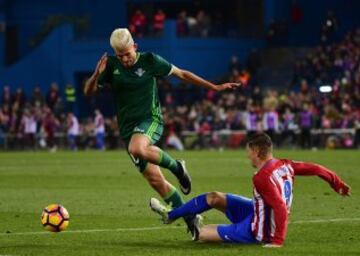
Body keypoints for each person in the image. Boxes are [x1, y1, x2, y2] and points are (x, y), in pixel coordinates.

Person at [84, 28, 240, 235]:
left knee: (137, 148)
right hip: (127, 129)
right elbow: (88, 91)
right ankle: (189, 217)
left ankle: (177, 167)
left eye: (128, 54)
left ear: (135, 47)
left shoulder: (150, 60)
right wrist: (96, 74)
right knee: (155, 180)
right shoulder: (111, 66)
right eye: (120, 55)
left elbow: (182, 74)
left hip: (150, 120)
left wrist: (215, 87)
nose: (125, 59)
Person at [150, 133, 351, 245]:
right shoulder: (284, 164)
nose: (247, 156)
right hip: (257, 211)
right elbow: (315, 168)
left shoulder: (262, 178)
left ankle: (194, 224)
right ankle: (171, 215)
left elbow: (280, 207)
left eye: (248, 152)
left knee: (202, 234)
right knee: (214, 197)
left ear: (256, 151)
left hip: (259, 230)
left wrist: (277, 241)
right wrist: (337, 183)